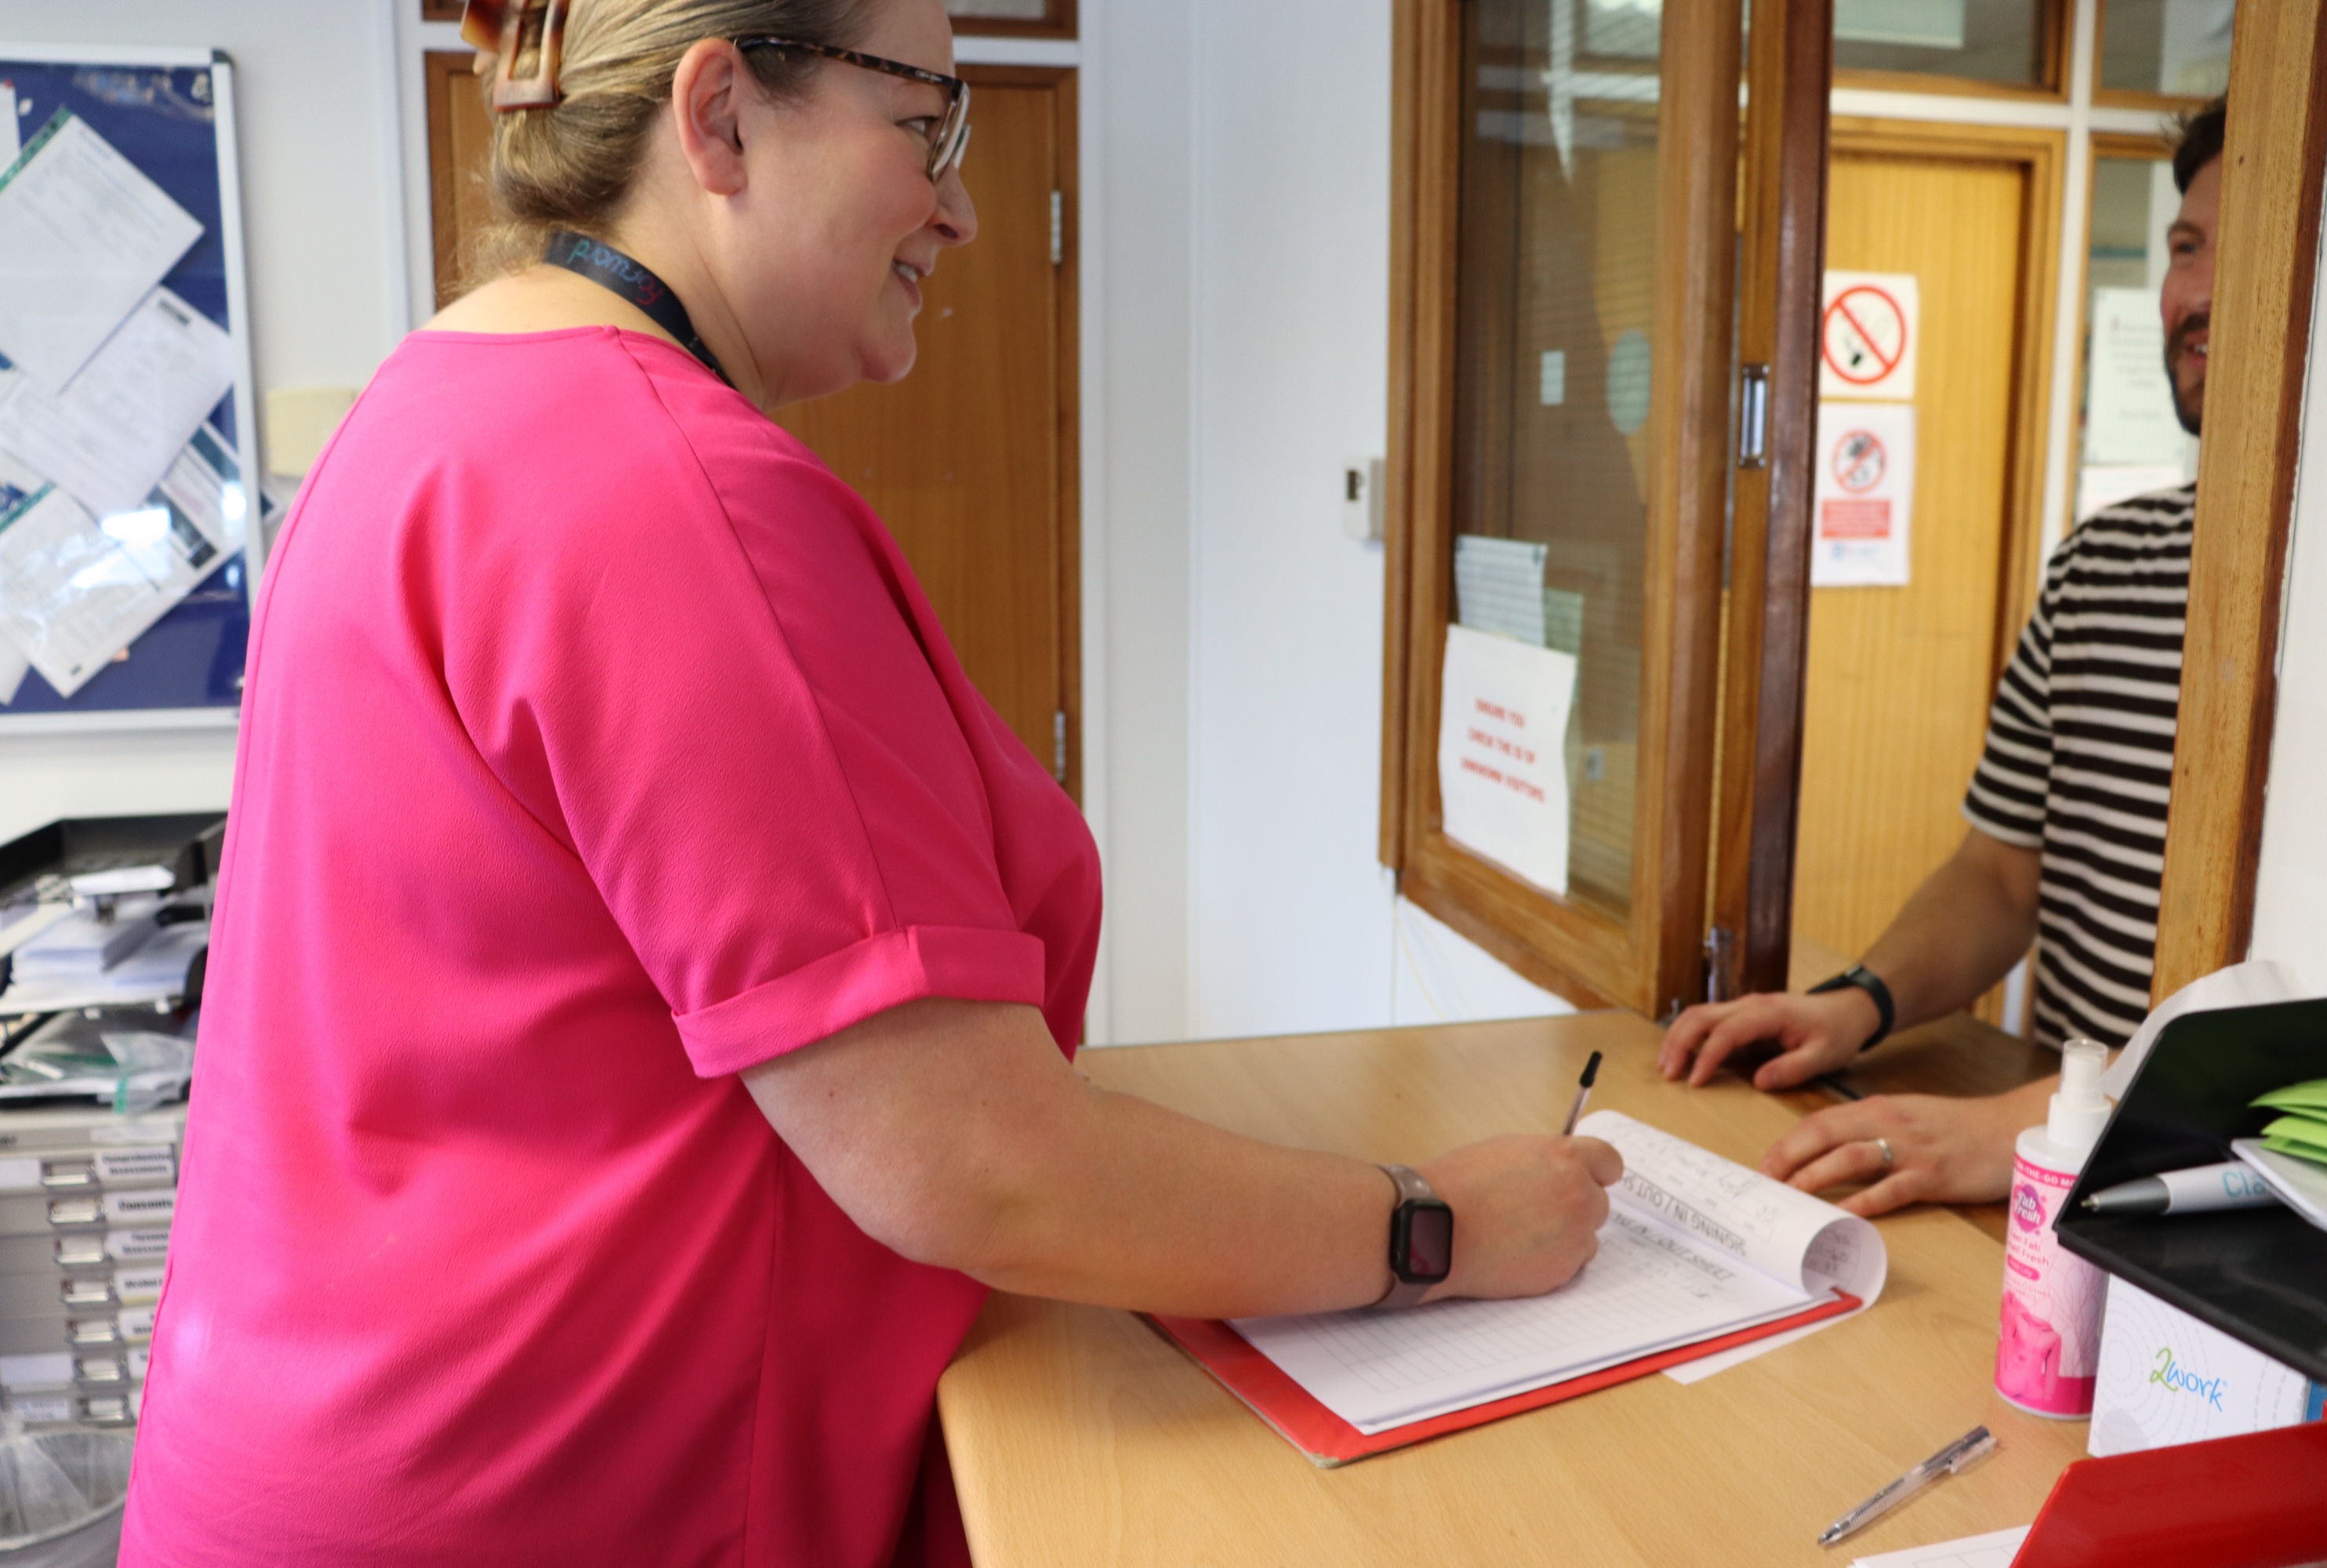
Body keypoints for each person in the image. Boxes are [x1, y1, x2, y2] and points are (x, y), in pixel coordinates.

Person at [119, 2, 1624, 1563]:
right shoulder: (668, 490)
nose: (962, 206)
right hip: (544, 1494)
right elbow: (973, 1165)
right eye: (925, 127)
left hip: (317, 1444)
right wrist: (1425, 1226)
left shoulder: (431, 409)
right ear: (719, 122)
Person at [1656, 97, 2226, 1219]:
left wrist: (2014, 1132)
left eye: (2237, 254)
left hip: (2216, 1214)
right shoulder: (2102, 561)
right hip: (2040, 1184)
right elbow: (2002, 873)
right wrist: (1856, 1004)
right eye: (2185, 246)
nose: (2196, 293)